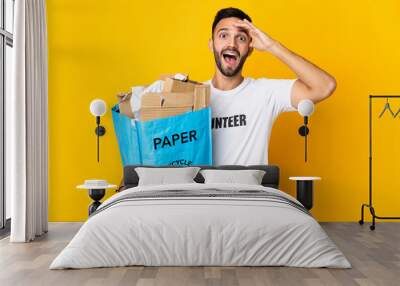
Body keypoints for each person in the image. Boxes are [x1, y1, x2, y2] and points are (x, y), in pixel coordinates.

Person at [204, 7, 336, 165]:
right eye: (223, 35)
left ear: (250, 48)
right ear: (211, 44)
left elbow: (324, 86)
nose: (232, 44)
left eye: (241, 38)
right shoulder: (193, 97)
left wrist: (272, 46)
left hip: (252, 190)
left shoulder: (265, 93)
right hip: (206, 190)